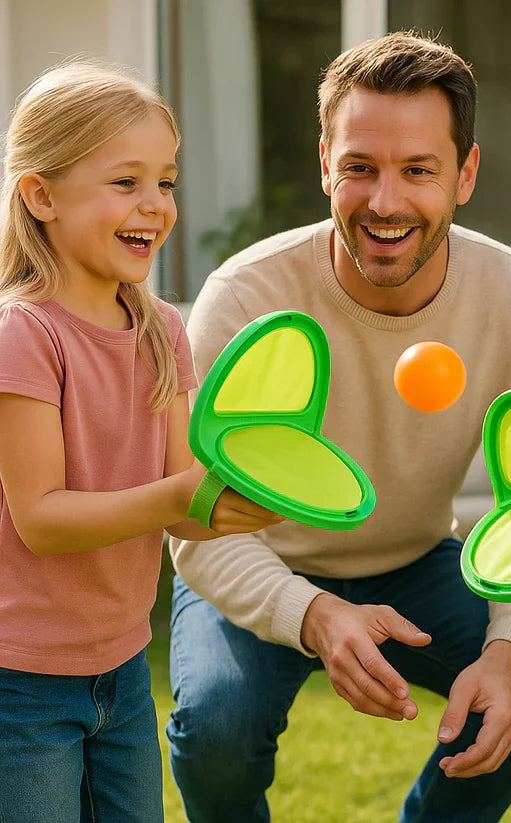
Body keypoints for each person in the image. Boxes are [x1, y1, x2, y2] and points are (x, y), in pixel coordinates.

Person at [167, 32, 511, 823]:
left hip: (416, 560)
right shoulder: (245, 295)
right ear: (325, 162)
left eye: (417, 169)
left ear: (464, 174)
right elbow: (196, 521)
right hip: (261, 553)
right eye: (359, 166)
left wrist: (504, 654)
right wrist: (314, 614)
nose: (385, 201)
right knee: (217, 721)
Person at [0, 62, 281, 823]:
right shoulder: (24, 335)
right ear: (41, 195)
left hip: (122, 667)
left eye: (167, 182)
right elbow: (42, 518)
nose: (155, 206)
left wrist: (239, 502)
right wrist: (180, 496)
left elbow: (184, 505)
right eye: (126, 182)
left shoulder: (161, 329)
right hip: (18, 681)